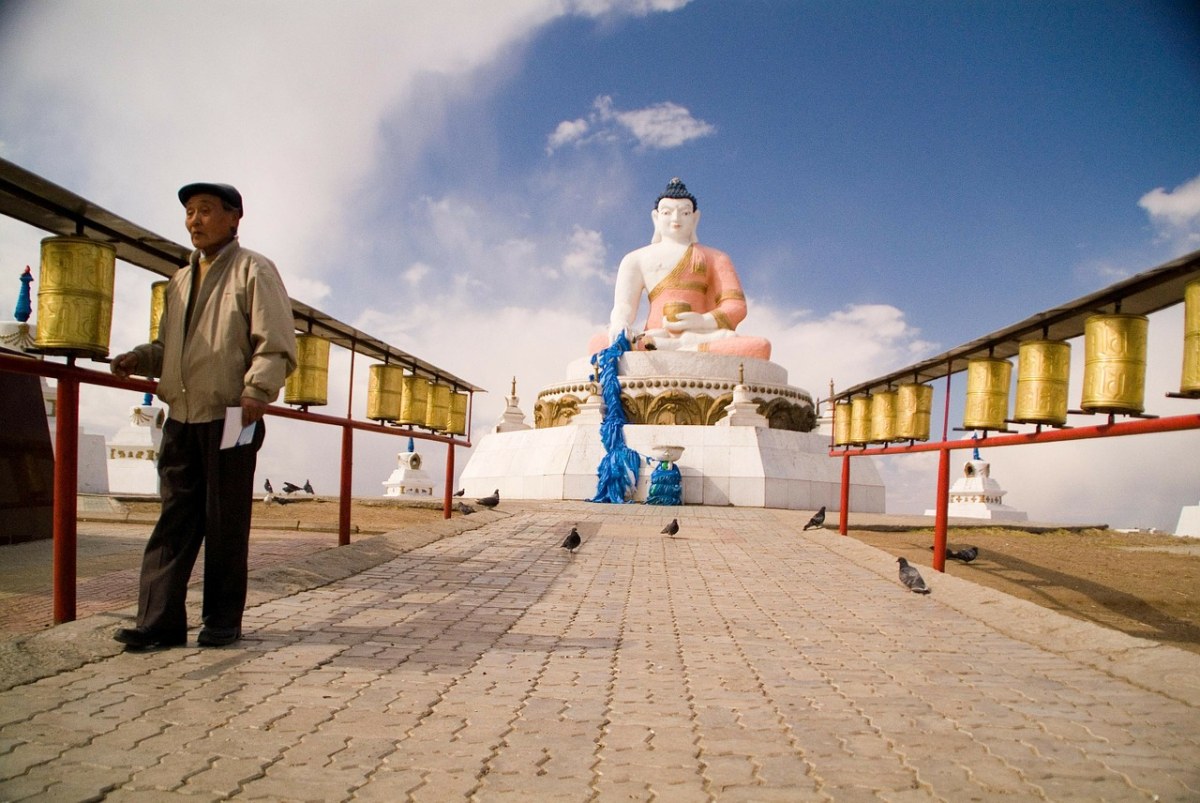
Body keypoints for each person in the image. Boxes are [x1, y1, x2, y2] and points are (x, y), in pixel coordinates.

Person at [110, 182, 297, 649]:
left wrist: (257, 390)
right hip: (182, 415)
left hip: (234, 414)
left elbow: (275, 343)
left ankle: (222, 619)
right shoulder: (177, 282)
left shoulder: (254, 269)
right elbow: (170, 348)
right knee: (174, 519)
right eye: (190, 212)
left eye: (206, 210)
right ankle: (159, 623)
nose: (195, 220)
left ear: (235, 218)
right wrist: (142, 358)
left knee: (225, 519)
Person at [591, 177, 771, 360]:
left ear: (695, 217)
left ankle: (685, 347)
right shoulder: (635, 259)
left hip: (701, 335)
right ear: (656, 217)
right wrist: (620, 323)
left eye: (684, 213)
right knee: (600, 343)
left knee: (759, 346)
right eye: (667, 212)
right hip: (653, 337)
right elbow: (624, 305)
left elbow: (736, 306)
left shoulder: (716, 258)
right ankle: (685, 349)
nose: (675, 219)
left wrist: (702, 321)